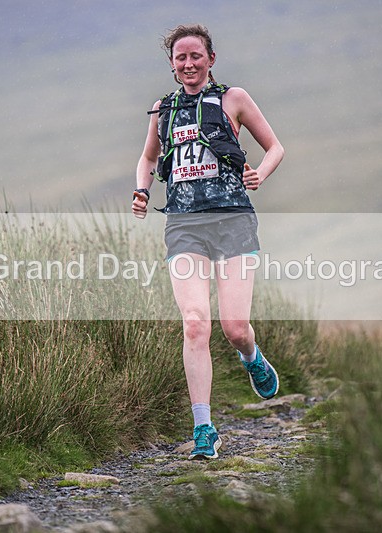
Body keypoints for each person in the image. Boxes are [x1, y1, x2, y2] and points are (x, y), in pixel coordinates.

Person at [132, 24, 284, 460]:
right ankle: (204, 428)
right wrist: (142, 190)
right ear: (172, 64)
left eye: (196, 56)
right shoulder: (163, 109)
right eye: (181, 58)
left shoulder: (233, 98)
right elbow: (146, 158)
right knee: (195, 323)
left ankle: (252, 356)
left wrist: (260, 173)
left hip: (233, 222)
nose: (189, 64)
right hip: (184, 226)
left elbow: (274, 147)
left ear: (210, 59)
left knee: (234, 328)